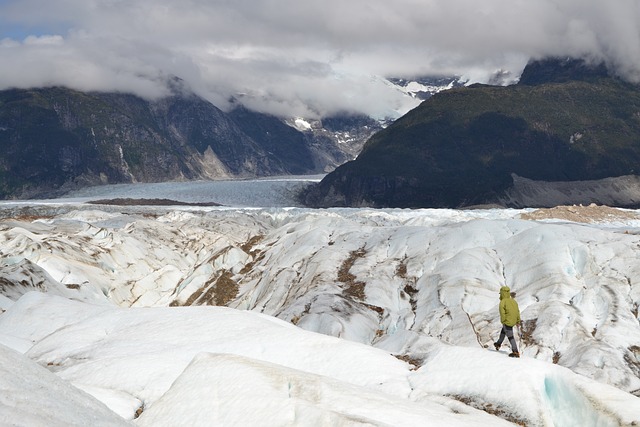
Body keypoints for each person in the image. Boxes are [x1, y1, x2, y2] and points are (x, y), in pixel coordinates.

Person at [494, 286, 521, 358]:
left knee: (510, 336)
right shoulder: (514, 301)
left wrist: (503, 321)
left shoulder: (503, 302)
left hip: (507, 321)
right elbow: (517, 312)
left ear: (502, 293)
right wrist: (518, 321)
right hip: (513, 320)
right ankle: (498, 343)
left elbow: (502, 313)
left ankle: (515, 352)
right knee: (503, 331)